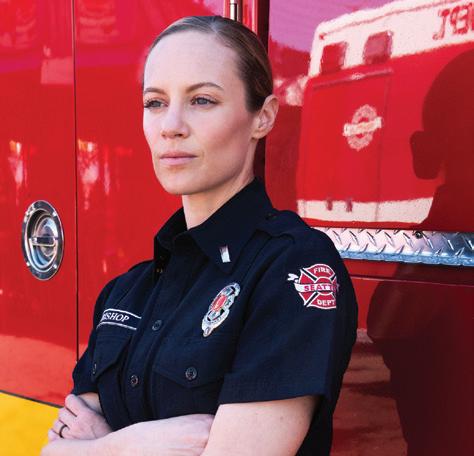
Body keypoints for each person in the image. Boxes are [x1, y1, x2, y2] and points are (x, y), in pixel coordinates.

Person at [41, 15, 357, 456]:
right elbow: (53, 451)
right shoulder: (126, 291)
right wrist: (135, 445)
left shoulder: (291, 267)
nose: (170, 125)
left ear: (263, 117)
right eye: (155, 102)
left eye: (202, 100)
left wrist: (97, 445)